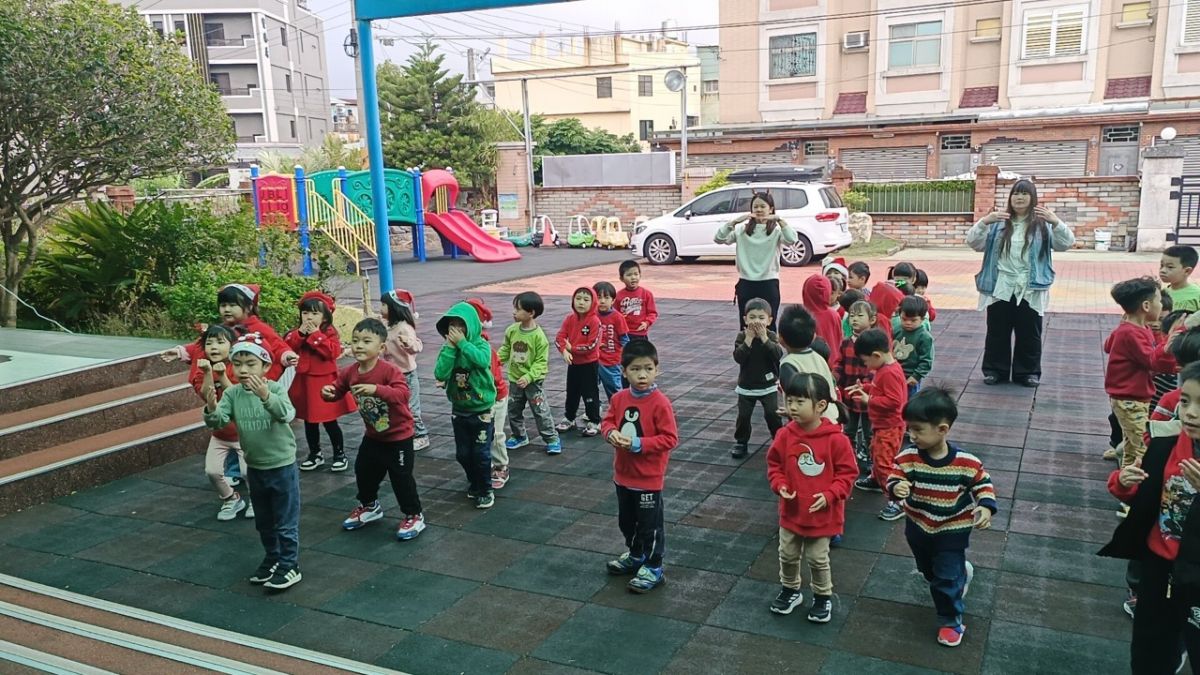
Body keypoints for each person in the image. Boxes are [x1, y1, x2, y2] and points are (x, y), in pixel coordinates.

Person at [1099, 360, 1200, 673]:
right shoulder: (1166, 443)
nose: (1191, 413)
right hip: (1159, 563)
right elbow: (1144, 490)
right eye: (1186, 401)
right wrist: (1122, 482)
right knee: (1148, 647)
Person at [887, 388, 996, 648]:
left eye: (917, 430)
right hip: (918, 527)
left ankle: (951, 621)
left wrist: (985, 506)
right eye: (909, 429)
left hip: (952, 529)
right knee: (929, 571)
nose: (911, 435)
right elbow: (895, 475)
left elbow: (983, 484)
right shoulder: (908, 458)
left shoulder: (966, 463)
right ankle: (959, 575)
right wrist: (896, 486)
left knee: (944, 579)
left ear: (942, 429)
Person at [202, 333, 302, 591]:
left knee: (285, 520)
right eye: (237, 364)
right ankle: (272, 558)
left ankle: (290, 565)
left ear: (266, 367)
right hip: (255, 467)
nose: (243, 370)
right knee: (264, 521)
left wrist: (266, 396)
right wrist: (211, 408)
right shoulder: (233, 393)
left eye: (250, 364)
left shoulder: (275, 389)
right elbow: (218, 422)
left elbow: (286, 414)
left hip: (281, 466)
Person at [765, 373, 857, 623]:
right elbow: (775, 465)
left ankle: (822, 595)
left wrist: (830, 495)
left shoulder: (836, 439)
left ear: (820, 406)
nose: (792, 407)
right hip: (792, 510)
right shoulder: (785, 435)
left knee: (817, 558)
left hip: (822, 514)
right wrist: (780, 484)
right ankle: (790, 589)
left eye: (800, 401)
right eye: (789, 400)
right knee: (787, 553)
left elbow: (847, 474)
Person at [966, 178, 1075, 387]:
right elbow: (974, 243)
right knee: (997, 330)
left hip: (1030, 286)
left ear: (1033, 198)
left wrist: (1056, 222)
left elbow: (1066, 243)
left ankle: (1027, 372)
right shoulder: (998, 222)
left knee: (1030, 332)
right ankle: (995, 370)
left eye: (1024, 193)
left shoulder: (1042, 224)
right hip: (1001, 283)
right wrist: (984, 221)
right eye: (1016, 193)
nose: (1019, 197)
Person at [323, 318, 425, 540]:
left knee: (401, 478)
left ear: (381, 348)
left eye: (366, 341)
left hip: (399, 437)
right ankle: (369, 506)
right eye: (355, 340)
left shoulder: (389, 371)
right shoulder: (350, 372)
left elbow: (403, 395)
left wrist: (376, 389)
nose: (359, 345)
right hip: (374, 436)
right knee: (363, 471)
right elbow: (338, 389)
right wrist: (329, 392)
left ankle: (414, 514)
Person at [601, 339, 678, 594]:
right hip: (623, 476)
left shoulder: (660, 403)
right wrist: (610, 433)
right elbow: (608, 422)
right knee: (627, 522)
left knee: (650, 526)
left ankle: (654, 566)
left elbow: (670, 438)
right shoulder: (619, 398)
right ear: (624, 372)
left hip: (648, 479)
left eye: (648, 368)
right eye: (635, 369)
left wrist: (637, 444)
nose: (642, 375)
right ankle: (636, 554)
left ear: (657, 369)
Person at [435, 301, 498, 510]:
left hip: (482, 411)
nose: (456, 330)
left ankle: (485, 489)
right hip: (459, 410)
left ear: (471, 325)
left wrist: (463, 344)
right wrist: (450, 349)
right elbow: (440, 373)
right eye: (452, 326)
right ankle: (474, 481)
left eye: (461, 325)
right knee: (462, 454)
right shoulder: (448, 350)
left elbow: (482, 361)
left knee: (481, 454)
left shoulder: (480, 345)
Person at [287, 291, 354, 473]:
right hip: (305, 380)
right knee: (309, 421)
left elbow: (332, 352)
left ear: (325, 316)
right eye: (305, 313)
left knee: (330, 420)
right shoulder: (298, 332)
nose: (309, 317)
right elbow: (288, 346)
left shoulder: (329, 332)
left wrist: (316, 335)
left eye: (315, 313)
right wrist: (300, 334)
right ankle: (315, 454)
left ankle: (339, 454)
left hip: (324, 380)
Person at [1106, 278, 1167, 477]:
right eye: (1159, 300)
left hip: (1132, 398)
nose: (1162, 305)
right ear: (1146, 306)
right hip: (1130, 399)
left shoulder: (1137, 328)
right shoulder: (1132, 333)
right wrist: (1168, 342)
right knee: (1142, 446)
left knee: (1133, 444)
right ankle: (1132, 483)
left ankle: (1125, 477)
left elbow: (1108, 345)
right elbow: (1153, 361)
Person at [713, 191, 799, 331]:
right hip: (746, 283)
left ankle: (769, 346)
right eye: (755, 206)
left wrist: (779, 220)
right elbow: (719, 238)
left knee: (769, 325)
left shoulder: (776, 231)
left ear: (771, 209)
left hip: (769, 282)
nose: (759, 210)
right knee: (747, 326)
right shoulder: (742, 230)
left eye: (763, 206)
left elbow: (792, 239)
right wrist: (734, 222)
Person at [191, 324, 252, 521]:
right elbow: (207, 396)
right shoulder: (202, 370)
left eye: (220, 342)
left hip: (243, 433)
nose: (214, 347)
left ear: (232, 346)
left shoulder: (238, 367)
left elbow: (237, 395)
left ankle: (257, 500)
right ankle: (231, 499)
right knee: (213, 471)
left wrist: (223, 375)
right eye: (209, 343)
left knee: (248, 471)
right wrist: (209, 373)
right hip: (220, 434)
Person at [847, 328, 909, 521]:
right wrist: (865, 388)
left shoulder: (889, 373)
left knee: (884, 462)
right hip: (883, 425)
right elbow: (879, 388)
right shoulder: (885, 368)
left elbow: (894, 401)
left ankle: (897, 500)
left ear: (876, 355)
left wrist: (869, 400)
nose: (866, 367)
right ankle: (876, 479)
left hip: (890, 426)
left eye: (866, 362)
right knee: (875, 452)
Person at [501, 291, 563, 455]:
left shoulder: (539, 337)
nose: (514, 312)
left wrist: (529, 377)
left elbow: (541, 362)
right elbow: (506, 349)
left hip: (533, 382)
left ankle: (552, 439)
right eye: (514, 308)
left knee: (540, 411)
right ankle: (519, 436)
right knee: (513, 409)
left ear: (531, 313)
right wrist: (496, 361)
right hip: (515, 380)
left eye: (518, 309)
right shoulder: (512, 330)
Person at [465, 298, 512, 490]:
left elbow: (489, 376)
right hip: (479, 397)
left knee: (495, 432)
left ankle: (501, 465)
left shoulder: (483, 348)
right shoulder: (462, 346)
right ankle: (485, 464)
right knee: (480, 433)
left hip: (495, 396)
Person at [732, 298, 784, 459]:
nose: (757, 321)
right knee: (743, 416)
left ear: (769, 321)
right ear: (745, 319)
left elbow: (777, 355)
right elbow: (738, 357)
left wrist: (764, 338)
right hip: (747, 385)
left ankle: (779, 439)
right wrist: (748, 339)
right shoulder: (742, 336)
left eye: (761, 318)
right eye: (752, 317)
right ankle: (741, 441)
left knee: (772, 414)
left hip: (768, 385)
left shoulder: (771, 336)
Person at [381, 289, 430, 451]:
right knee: (394, 406)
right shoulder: (388, 326)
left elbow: (417, 347)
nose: (381, 308)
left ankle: (421, 436)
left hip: (406, 375)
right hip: (391, 374)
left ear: (394, 308)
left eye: (384, 305)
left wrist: (408, 342)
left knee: (411, 408)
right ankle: (400, 433)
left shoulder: (404, 328)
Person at [777, 305, 839, 423]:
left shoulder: (788, 364)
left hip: (811, 423)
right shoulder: (819, 357)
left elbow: (798, 396)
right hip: (832, 416)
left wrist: (790, 411)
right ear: (814, 336)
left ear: (780, 338)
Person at [836, 300, 876, 477]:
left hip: (867, 395)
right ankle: (849, 459)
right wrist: (835, 377)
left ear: (871, 319)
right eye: (852, 315)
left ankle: (872, 461)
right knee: (849, 430)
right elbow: (839, 363)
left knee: (870, 432)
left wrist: (867, 384)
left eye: (860, 315)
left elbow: (877, 367)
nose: (855, 319)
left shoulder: (874, 342)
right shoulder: (846, 343)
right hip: (849, 394)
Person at [555, 287, 602, 436]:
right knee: (572, 392)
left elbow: (592, 345)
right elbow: (559, 337)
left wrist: (572, 348)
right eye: (578, 299)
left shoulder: (595, 321)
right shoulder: (570, 319)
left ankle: (594, 420)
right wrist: (564, 351)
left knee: (590, 393)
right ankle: (569, 418)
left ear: (593, 303)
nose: (581, 302)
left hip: (589, 364)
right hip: (574, 364)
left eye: (586, 300)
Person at [594, 281, 630, 401]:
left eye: (606, 297)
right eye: (599, 297)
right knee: (591, 387)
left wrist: (626, 357)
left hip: (612, 361)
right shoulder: (592, 316)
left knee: (614, 388)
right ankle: (595, 408)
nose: (602, 301)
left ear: (613, 300)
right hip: (594, 360)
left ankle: (619, 407)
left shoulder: (617, 317)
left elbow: (624, 339)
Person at [893, 296, 934, 397]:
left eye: (913, 320)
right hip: (894, 374)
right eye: (904, 319)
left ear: (922, 319)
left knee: (910, 401)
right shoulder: (896, 330)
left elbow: (926, 360)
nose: (908, 323)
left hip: (910, 378)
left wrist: (916, 376)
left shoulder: (924, 337)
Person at [802, 274, 842, 366]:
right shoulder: (834, 314)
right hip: (833, 363)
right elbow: (839, 339)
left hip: (811, 363)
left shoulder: (803, 317)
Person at [616, 260, 658, 340]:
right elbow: (615, 314)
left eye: (636, 274)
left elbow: (652, 313)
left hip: (641, 333)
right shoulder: (618, 295)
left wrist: (647, 322)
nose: (633, 277)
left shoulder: (646, 294)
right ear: (621, 278)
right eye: (629, 275)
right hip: (624, 333)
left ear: (640, 275)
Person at [1160, 245, 1200, 313]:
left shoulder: (1197, 294)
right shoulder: (1161, 294)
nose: (1162, 270)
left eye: (1170, 267)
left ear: (1187, 271)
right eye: (1162, 265)